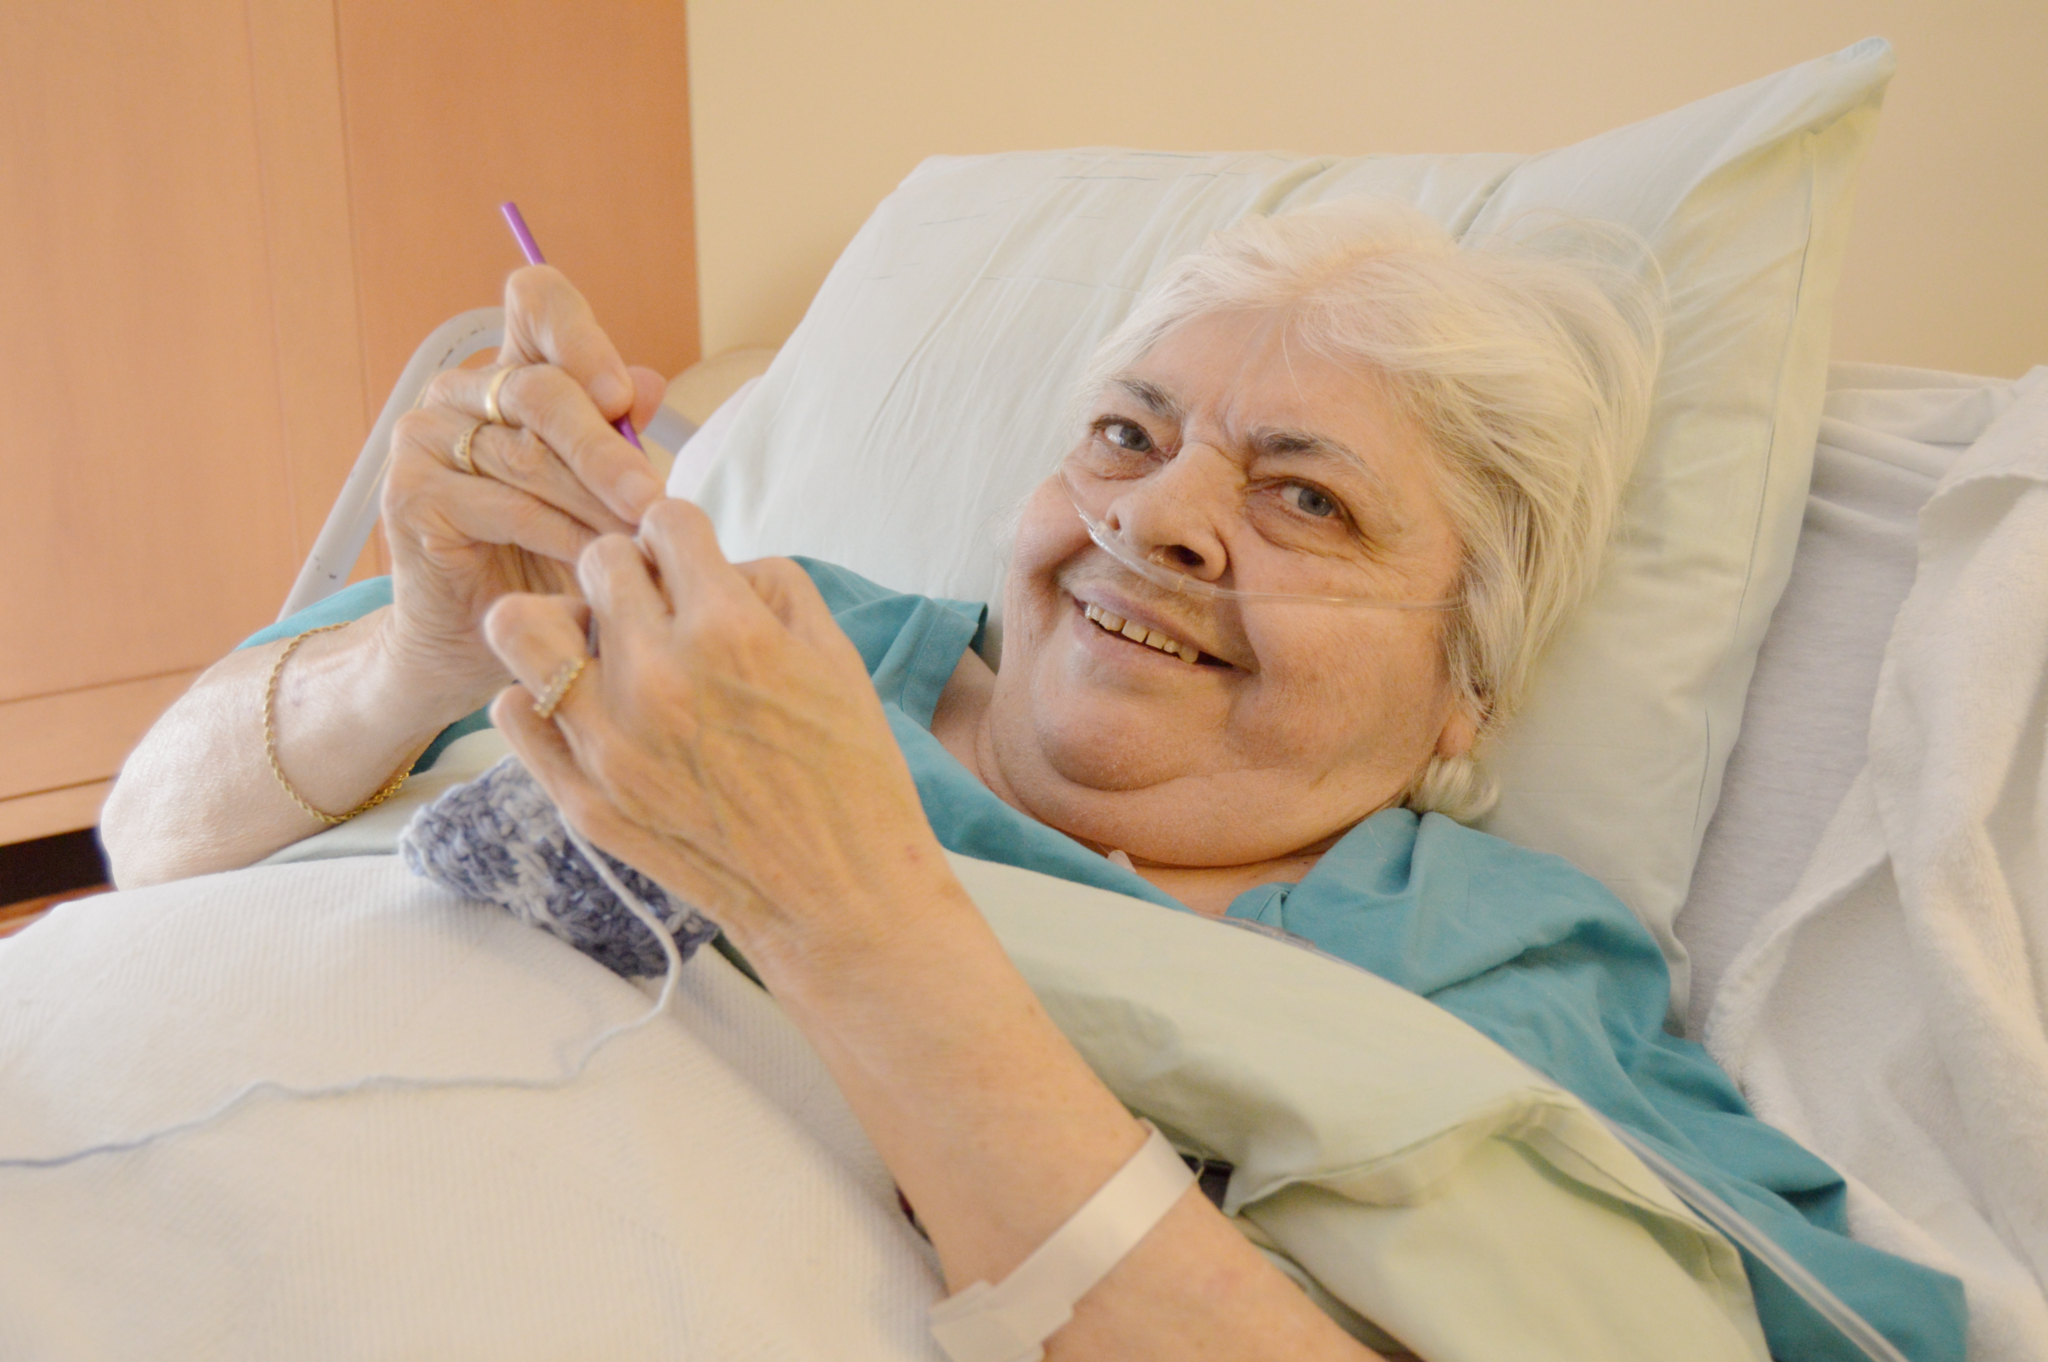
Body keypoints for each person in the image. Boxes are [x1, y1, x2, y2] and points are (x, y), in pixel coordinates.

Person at [100, 202, 1965, 1362]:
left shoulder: (1488, 961)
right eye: (1124, 437)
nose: (1158, 518)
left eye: (1304, 496)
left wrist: (848, 907)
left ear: (1465, 688)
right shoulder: (769, 627)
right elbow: (148, 832)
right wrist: (417, 653)